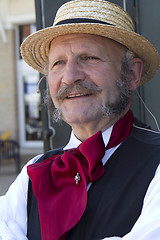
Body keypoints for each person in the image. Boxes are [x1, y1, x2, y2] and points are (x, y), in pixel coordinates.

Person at [0, 0, 160, 239]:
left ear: (131, 73)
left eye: (89, 57)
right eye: (58, 63)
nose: (70, 77)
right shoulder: (31, 175)